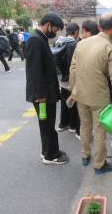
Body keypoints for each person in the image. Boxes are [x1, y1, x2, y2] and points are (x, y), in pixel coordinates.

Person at [68, 13, 112, 174]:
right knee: (100, 130)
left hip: (80, 94)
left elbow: (73, 69)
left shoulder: (81, 44)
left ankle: (85, 155)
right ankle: (99, 164)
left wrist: (73, 91)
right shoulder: (110, 49)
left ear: (100, 27)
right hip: (99, 97)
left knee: (84, 125)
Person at [25, 12, 69, 165]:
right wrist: (41, 95)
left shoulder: (39, 39)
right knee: (47, 124)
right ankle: (51, 156)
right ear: (48, 24)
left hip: (45, 93)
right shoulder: (35, 40)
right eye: (55, 29)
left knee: (47, 124)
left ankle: (49, 151)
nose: (55, 32)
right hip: (42, 95)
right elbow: (35, 71)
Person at [54, 23, 81, 140]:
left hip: (61, 78)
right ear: (76, 32)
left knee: (65, 102)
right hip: (71, 79)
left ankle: (63, 124)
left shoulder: (59, 42)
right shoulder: (74, 45)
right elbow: (73, 64)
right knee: (73, 102)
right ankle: (73, 126)